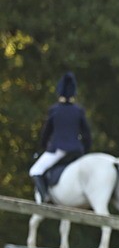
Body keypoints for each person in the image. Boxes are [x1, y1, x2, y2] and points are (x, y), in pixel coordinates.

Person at [30, 71, 92, 202]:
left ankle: (44, 197)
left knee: (35, 170)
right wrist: (85, 150)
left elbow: (46, 133)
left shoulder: (55, 110)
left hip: (59, 149)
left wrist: (43, 146)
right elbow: (87, 134)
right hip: (77, 151)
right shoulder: (79, 110)